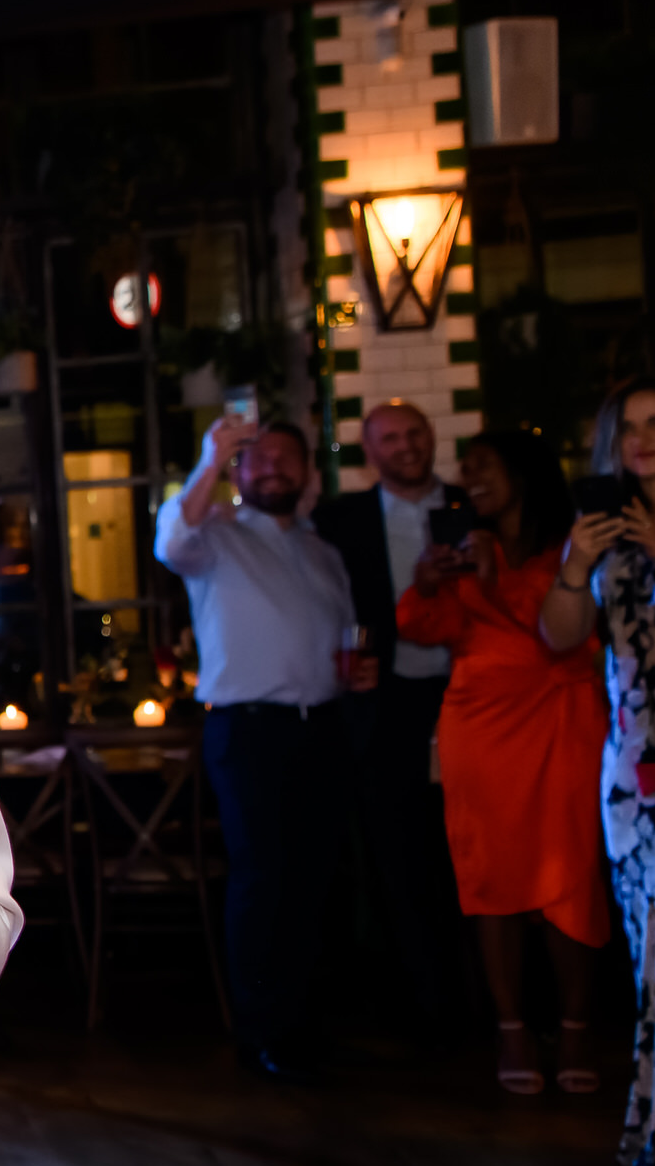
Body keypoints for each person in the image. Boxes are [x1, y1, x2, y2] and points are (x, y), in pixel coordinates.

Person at [539, 377, 655, 1166]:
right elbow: (561, 636)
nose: (643, 440)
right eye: (628, 428)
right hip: (636, 776)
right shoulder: (600, 533)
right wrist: (577, 565)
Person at [157, 415, 372, 1082]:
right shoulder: (214, 535)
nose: (275, 466)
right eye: (262, 458)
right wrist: (211, 458)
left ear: (308, 473)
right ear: (243, 475)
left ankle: (301, 1019)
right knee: (261, 879)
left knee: (311, 882)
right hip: (249, 730)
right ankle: (261, 1031)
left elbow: (337, 641)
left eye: (289, 458)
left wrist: (352, 672)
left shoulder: (323, 553)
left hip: (322, 725)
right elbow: (171, 541)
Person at [395, 426, 606, 1093]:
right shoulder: (466, 545)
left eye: (484, 467)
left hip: (559, 719)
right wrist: (428, 586)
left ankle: (575, 1029)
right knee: (492, 883)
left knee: (568, 876)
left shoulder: (573, 545)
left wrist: (497, 581)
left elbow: (566, 641)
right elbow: (425, 629)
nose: (471, 480)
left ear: (525, 472)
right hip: (480, 728)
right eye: (468, 469)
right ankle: (511, 1030)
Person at [313, 399, 470, 1035]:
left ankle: (476, 1000)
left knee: (466, 854)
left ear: (431, 436)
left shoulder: (468, 507)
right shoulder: (339, 519)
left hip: (469, 700)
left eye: (414, 433)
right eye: (390, 439)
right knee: (397, 859)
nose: (405, 446)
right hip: (387, 706)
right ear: (369, 452)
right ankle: (420, 1005)